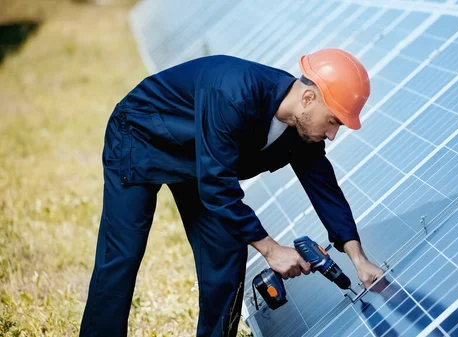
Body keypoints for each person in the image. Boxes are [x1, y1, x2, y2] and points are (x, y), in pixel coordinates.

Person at [80, 48, 385, 337]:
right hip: (142, 135)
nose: (332, 134)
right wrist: (272, 250)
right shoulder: (234, 93)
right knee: (122, 254)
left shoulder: (302, 131)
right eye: (333, 121)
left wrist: (358, 259)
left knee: (227, 247)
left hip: (200, 158)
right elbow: (217, 186)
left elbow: (324, 189)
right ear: (308, 97)